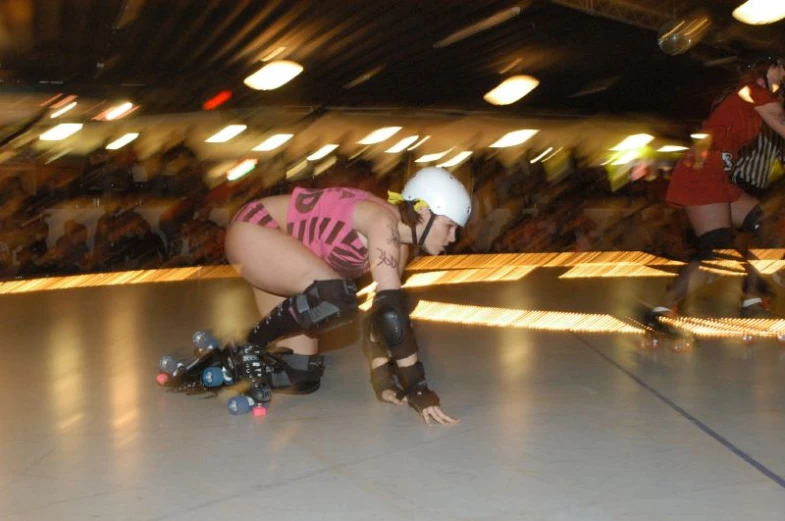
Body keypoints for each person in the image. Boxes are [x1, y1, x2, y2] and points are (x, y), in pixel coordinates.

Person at [223, 167, 472, 425]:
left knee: (301, 376)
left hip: (279, 260)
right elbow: (390, 314)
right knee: (336, 297)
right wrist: (417, 389)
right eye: (450, 226)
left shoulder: (400, 246)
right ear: (423, 211)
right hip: (254, 229)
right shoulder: (382, 222)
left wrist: (383, 380)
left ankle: (243, 360)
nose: (453, 238)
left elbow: (384, 314)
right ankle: (245, 349)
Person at [647, 56, 785, 328]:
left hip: (717, 177)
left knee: (769, 226)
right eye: (781, 67)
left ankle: (752, 300)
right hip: (700, 173)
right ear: (767, 69)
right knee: (718, 253)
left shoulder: (755, 97)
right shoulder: (752, 92)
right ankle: (662, 309)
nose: (784, 73)